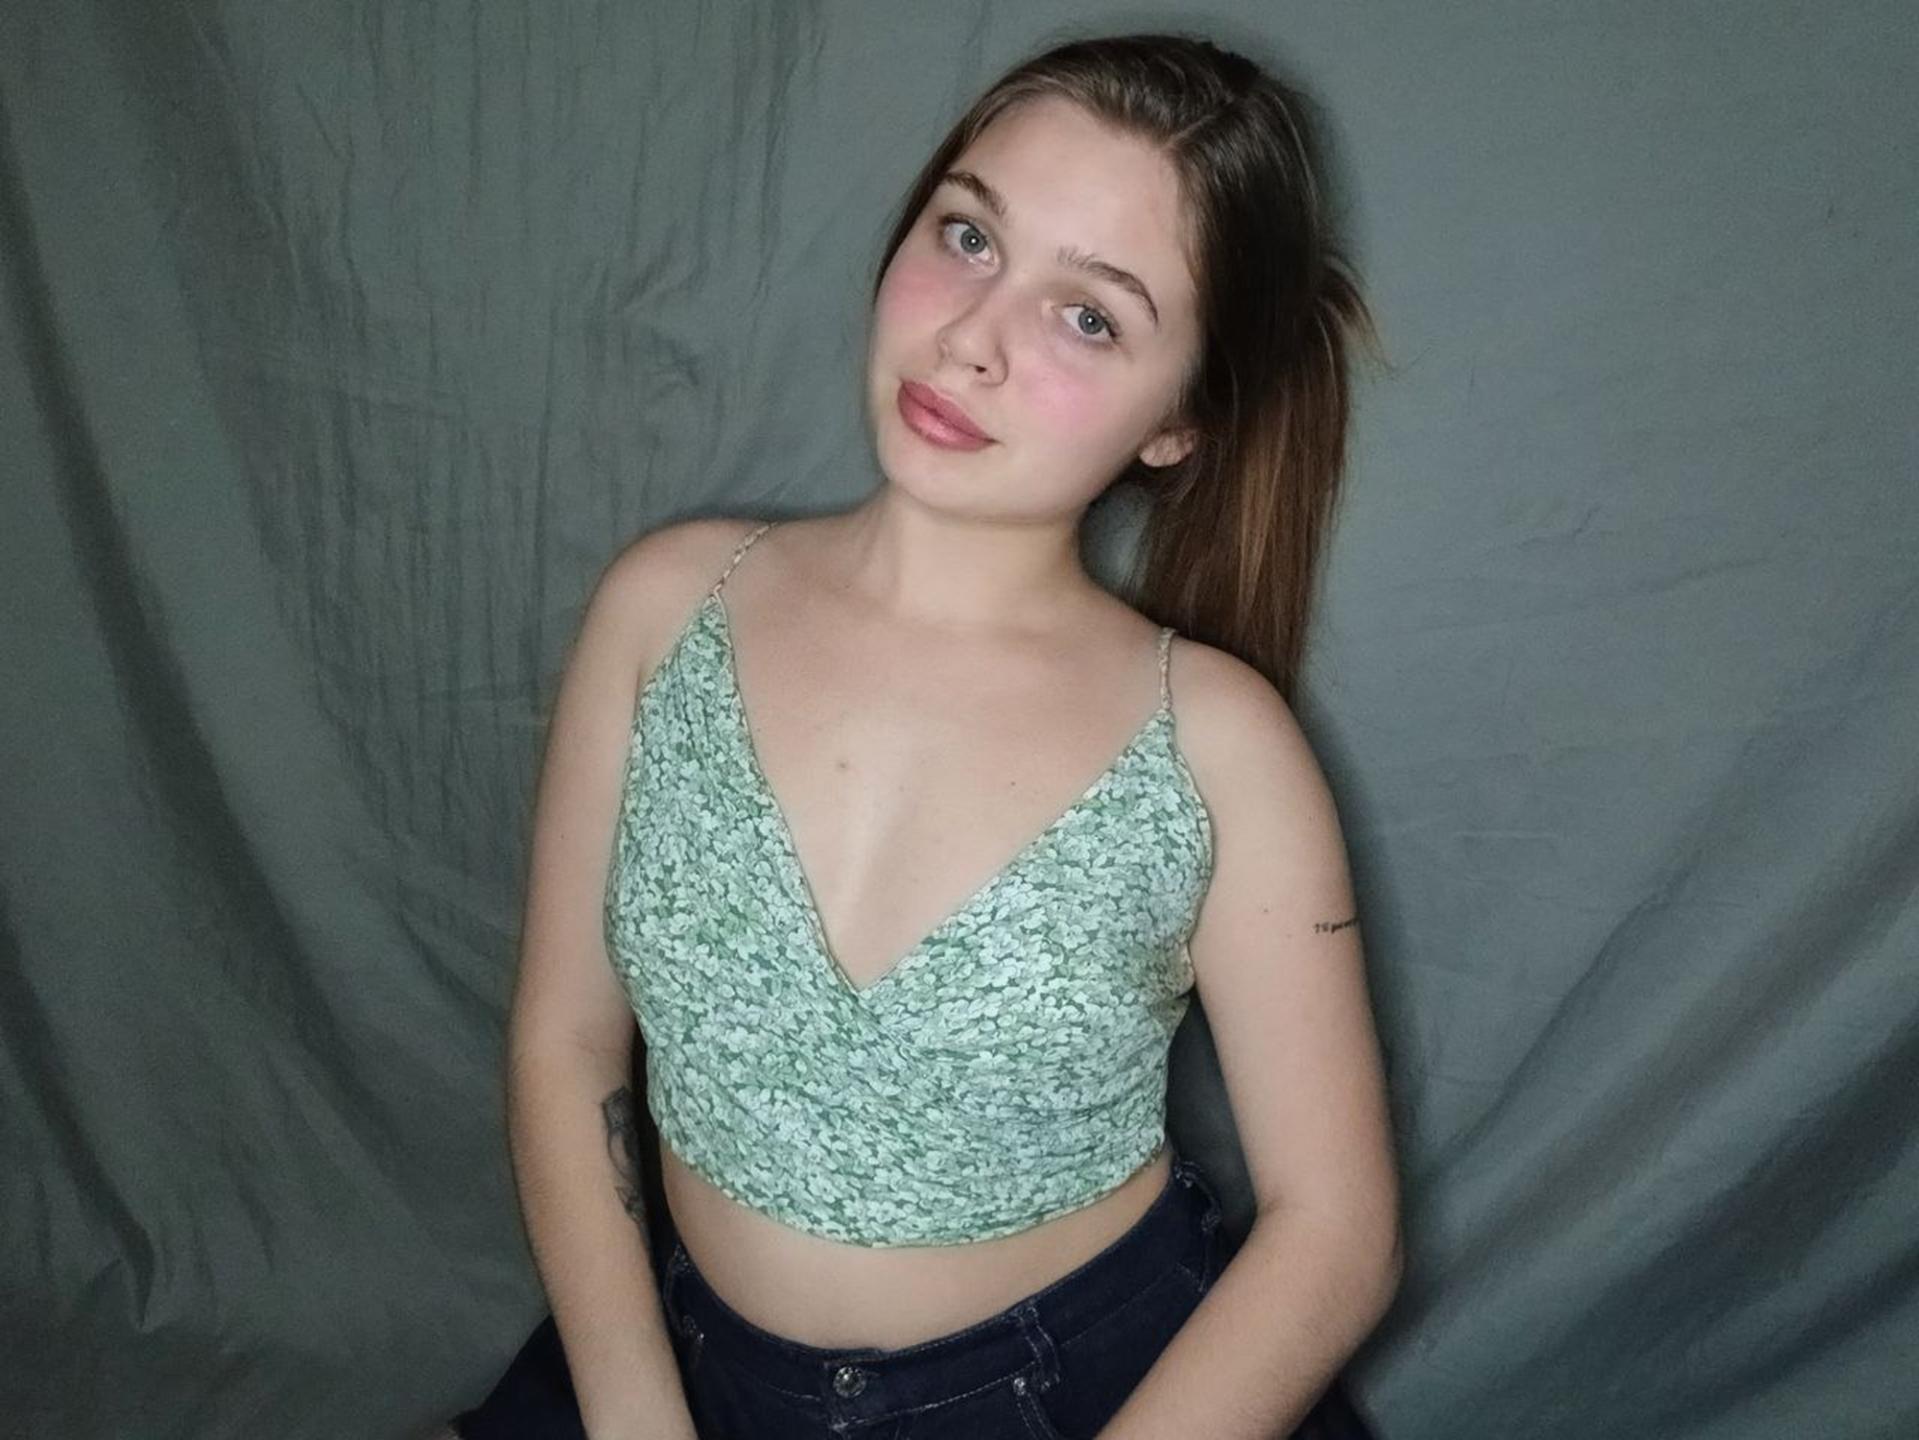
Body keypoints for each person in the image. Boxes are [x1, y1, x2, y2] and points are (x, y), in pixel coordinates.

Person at [449, 29, 1399, 1440]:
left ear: (1181, 420)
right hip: (677, 1373)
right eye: (970, 237)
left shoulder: (1216, 747)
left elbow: (1337, 1233)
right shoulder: (665, 609)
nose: (971, 340)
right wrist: (636, 1412)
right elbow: (566, 1042)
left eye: (1091, 317)